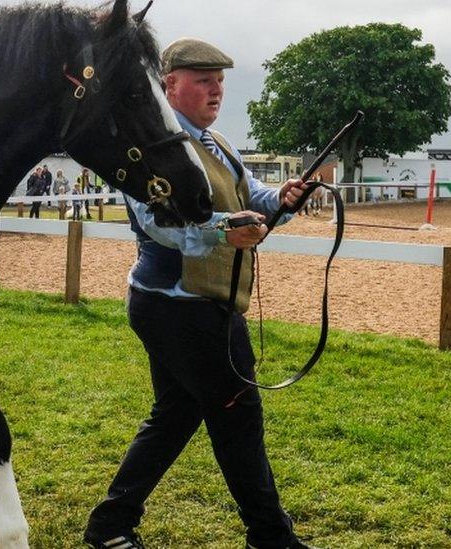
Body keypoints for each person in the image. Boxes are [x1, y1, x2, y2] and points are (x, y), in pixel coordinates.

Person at [84, 38, 315, 549]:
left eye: (220, 81)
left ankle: (110, 525)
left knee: (175, 415)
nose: (217, 90)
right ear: (170, 86)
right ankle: (270, 537)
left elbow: (250, 195)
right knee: (238, 417)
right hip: (178, 305)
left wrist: (282, 198)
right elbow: (159, 223)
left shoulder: (220, 145)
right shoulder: (152, 147)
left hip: (196, 303)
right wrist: (223, 230)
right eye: (204, 80)